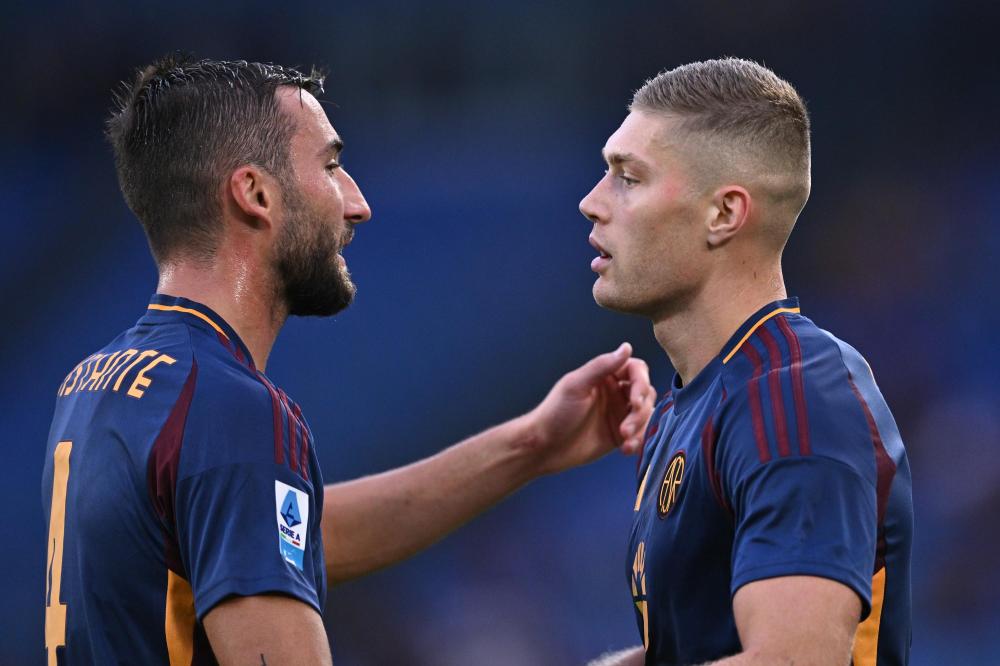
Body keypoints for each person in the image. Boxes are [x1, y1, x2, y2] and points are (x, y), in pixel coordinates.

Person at [41, 56, 655, 665]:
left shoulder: (94, 386)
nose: (357, 203)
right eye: (331, 166)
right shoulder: (231, 410)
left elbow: (280, 534)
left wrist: (531, 445)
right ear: (255, 194)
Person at [579, 59, 913, 665]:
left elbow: (794, 660)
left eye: (628, 178)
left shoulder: (795, 397)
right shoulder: (690, 407)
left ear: (724, 215)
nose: (591, 202)